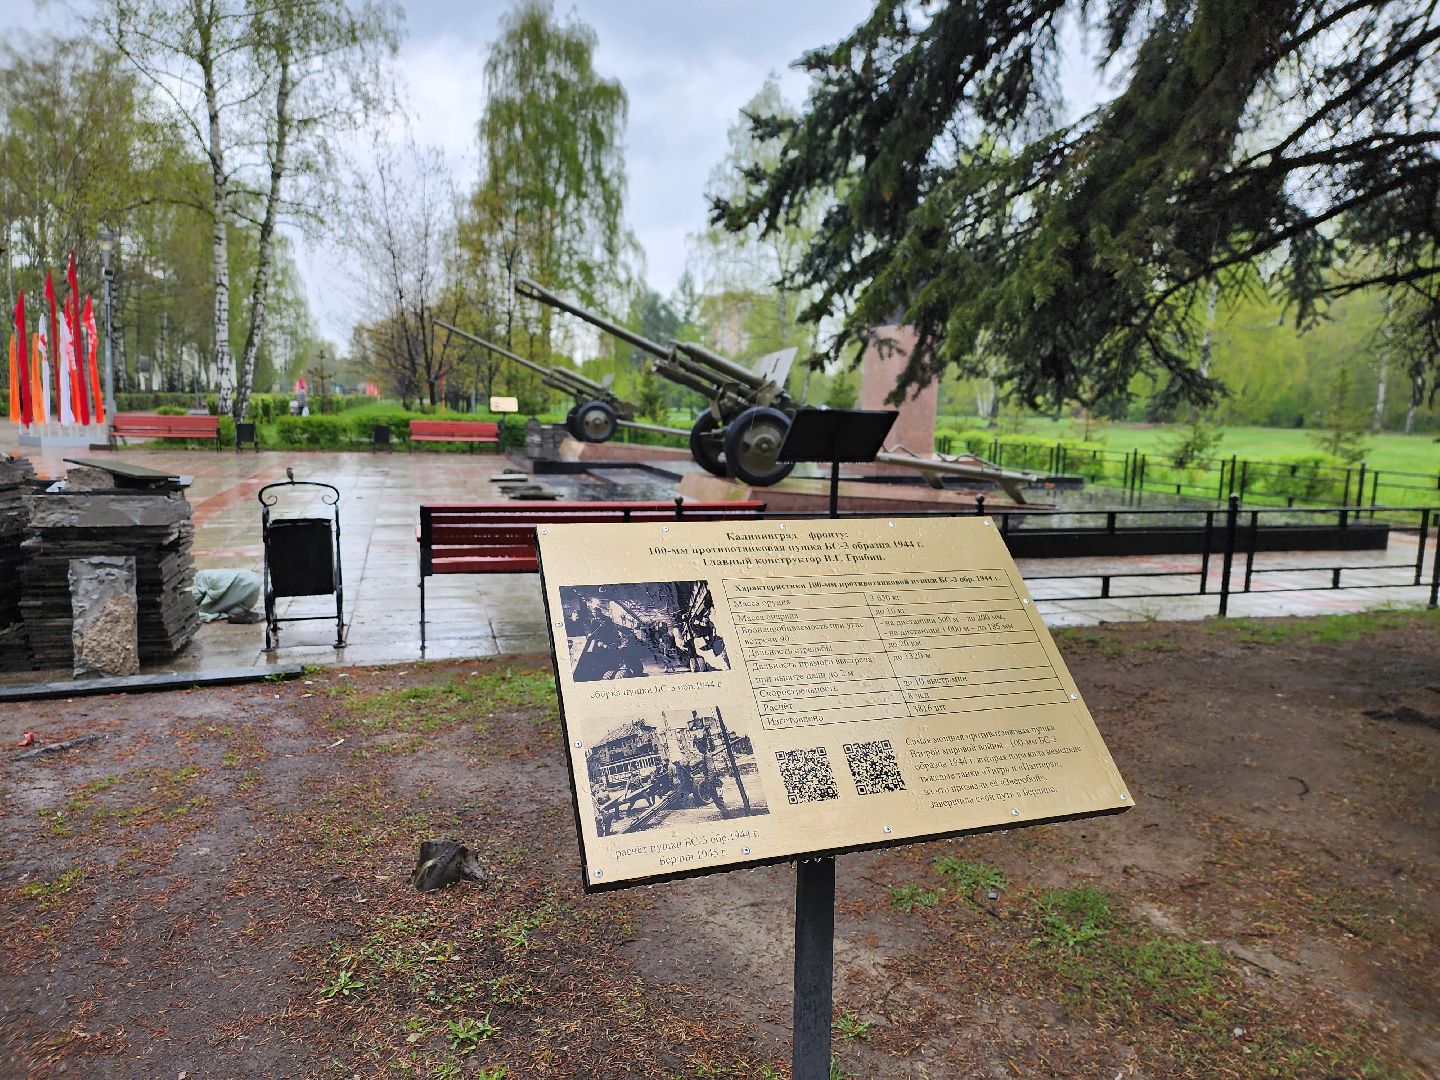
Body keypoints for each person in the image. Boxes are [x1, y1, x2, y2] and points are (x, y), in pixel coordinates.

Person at [188, 569, 263, 623]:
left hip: (248, 584)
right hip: (250, 589)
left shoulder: (203, 577)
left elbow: (208, 602)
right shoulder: (204, 577)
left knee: (207, 609)